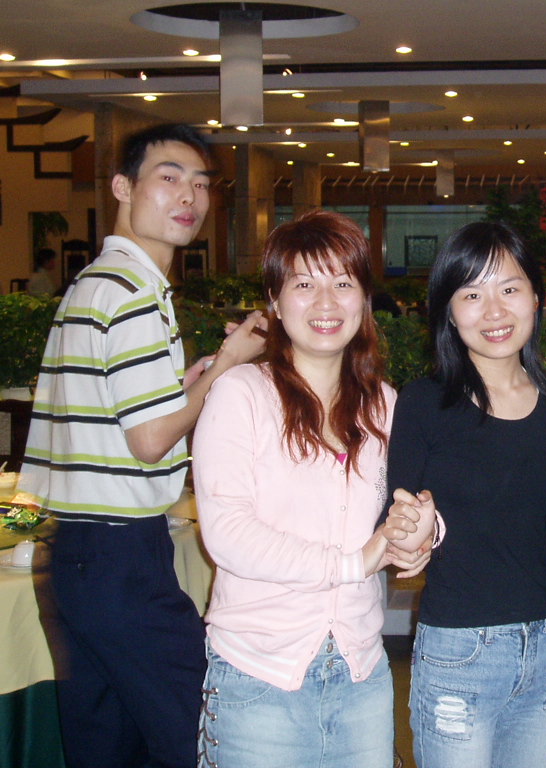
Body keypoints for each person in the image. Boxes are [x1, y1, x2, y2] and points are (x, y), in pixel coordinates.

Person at [17, 123, 268, 768]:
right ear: (123, 187)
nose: (189, 196)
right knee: (205, 732)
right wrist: (227, 366)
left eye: (201, 184)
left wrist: (187, 383)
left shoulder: (97, 283)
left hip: (78, 553)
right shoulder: (130, 294)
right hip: (119, 557)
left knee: (107, 743)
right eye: (169, 177)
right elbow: (151, 440)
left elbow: (121, 413)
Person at [192, 210, 434, 768]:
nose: (326, 302)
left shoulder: (384, 403)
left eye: (343, 283)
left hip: (361, 673)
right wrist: (354, 563)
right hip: (259, 676)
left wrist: (420, 532)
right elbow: (227, 534)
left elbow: (411, 504)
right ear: (275, 303)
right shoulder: (241, 394)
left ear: (364, 300)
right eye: (304, 284)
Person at [386, 220, 546, 768]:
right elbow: (395, 519)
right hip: (460, 650)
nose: (494, 311)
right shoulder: (424, 404)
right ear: (448, 310)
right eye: (471, 294)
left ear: (536, 297)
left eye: (509, 288)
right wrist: (416, 532)